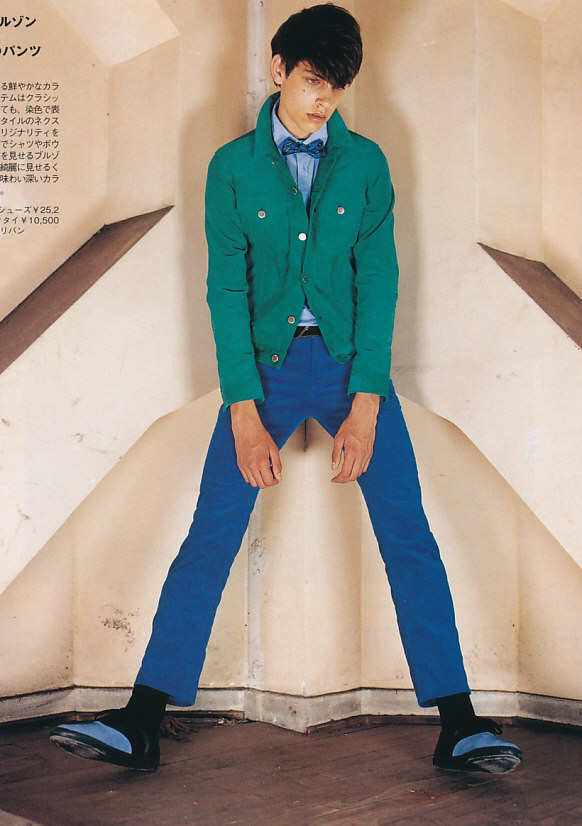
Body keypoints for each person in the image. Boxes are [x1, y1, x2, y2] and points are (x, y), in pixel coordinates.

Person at [50, 3, 522, 775]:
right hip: (263, 372)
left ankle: (461, 725)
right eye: (310, 80)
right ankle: (140, 722)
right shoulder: (231, 168)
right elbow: (225, 291)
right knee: (211, 533)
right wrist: (243, 411)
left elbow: (379, 282)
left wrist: (365, 403)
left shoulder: (366, 164)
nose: (322, 100)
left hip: (349, 367)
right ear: (278, 70)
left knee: (409, 533)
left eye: (335, 86)